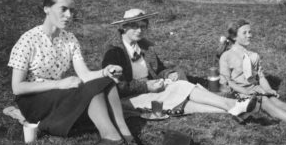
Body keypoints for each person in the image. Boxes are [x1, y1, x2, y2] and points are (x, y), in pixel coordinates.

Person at [8, 0, 146, 145]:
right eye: (63, 9)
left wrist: (105, 71)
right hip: (33, 100)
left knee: (106, 81)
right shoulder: (28, 40)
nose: (69, 15)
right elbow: (17, 88)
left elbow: (85, 75)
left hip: (57, 95)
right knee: (90, 89)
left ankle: (127, 137)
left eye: (72, 11)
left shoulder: (70, 39)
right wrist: (58, 84)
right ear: (47, 9)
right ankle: (111, 139)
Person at [102, 8, 257, 117]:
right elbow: (116, 86)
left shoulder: (144, 46)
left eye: (143, 26)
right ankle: (232, 104)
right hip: (128, 97)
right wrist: (145, 86)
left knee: (181, 94)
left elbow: (158, 69)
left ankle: (232, 108)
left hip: (152, 89)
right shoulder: (114, 51)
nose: (139, 30)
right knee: (181, 91)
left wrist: (169, 73)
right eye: (134, 26)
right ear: (124, 27)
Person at [218, 19, 286, 128]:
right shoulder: (226, 56)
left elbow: (260, 76)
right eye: (244, 33)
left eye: (250, 32)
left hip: (255, 91)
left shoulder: (254, 55)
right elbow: (226, 83)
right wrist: (245, 91)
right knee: (263, 100)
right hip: (237, 93)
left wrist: (268, 90)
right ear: (234, 37)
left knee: (273, 99)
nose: (249, 35)